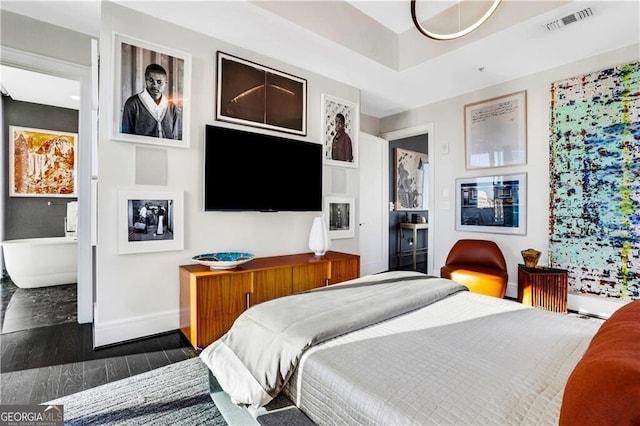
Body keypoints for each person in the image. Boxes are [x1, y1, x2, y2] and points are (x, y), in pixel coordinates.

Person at [121, 64, 182, 140]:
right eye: (150, 80)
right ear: (145, 79)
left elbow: (174, 137)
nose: (155, 85)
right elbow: (126, 136)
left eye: (159, 82)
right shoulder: (132, 104)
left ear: (165, 83)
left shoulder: (172, 107)